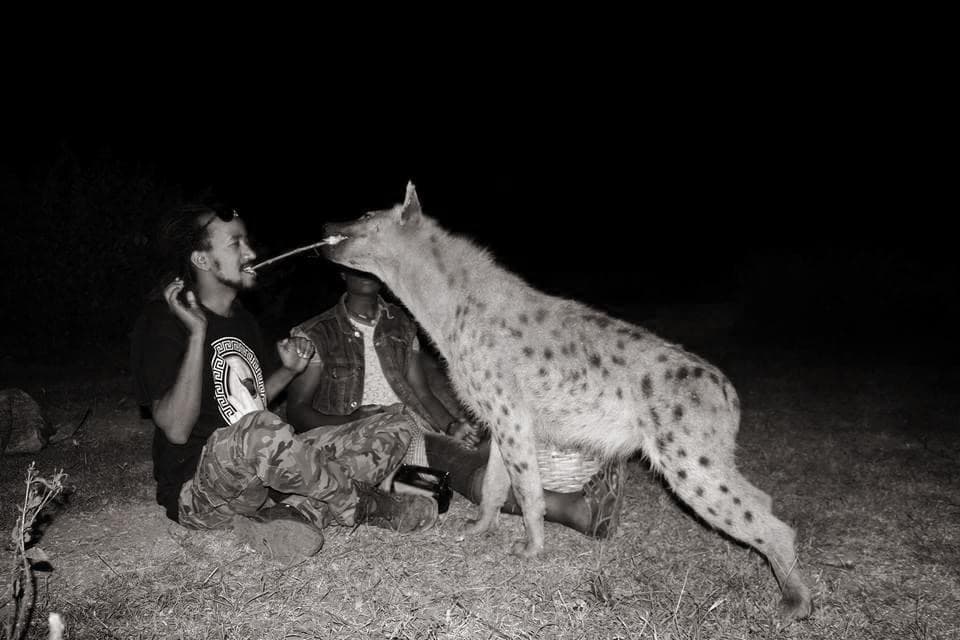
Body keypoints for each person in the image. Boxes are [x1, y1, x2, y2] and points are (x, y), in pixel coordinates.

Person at [130, 203, 438, 563]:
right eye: (235, 244)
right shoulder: (163, 320)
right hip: (200, 490)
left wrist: (289, 371)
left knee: (394, 422)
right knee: (261, 429)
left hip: (260, 478)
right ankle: (364, 504)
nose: (250, 253)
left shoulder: (242, 321)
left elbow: (247, 404)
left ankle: (295, 513)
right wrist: (198, 335)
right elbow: (176, 430)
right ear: (201, 260)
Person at [286, 269, 624, 539]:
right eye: (354, 265)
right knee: (462, 463)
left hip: (410, 429)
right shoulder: (316, 333)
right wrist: (350, 419)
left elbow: (421, 392)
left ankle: (565, 498)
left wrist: (450, 424)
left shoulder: (400, 323)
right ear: (341, 271)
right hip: (360, 438)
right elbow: (296, 412)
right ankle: (571, 509)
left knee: (485, 445)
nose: (363, 272)